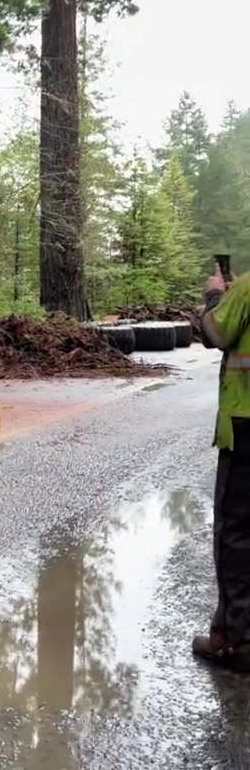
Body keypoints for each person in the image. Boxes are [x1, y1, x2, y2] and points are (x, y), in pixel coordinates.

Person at [193, 263, 250, 671]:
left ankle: (234, 640)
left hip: (246, 424)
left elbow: (216, 333)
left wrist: (216, 296)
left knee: (236, 533)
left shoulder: (247, 287)